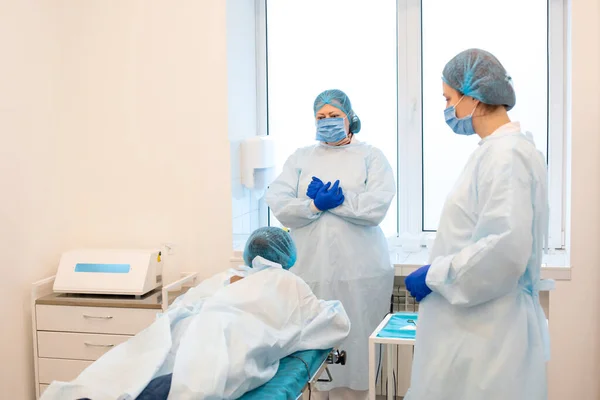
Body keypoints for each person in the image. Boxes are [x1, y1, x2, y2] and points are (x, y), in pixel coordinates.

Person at [41, 227, 351, 400]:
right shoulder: (288, 283)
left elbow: (183, 306)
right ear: (288, 257)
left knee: (139, 367)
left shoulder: (226, 276)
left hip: (199, 331)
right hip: (217, 332)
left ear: (249, 253)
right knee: (198, 370)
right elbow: (334, 323)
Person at [404, 48, 553, 400]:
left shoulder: (506, 156)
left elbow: (503, 249)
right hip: (480, 327)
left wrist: (435, 275)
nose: (446, 109)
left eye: (448, 98)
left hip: (486, 331)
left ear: (473, 97)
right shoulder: (501, 151)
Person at [266, 89, 396, 400]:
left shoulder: (371, 156)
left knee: (358, 344)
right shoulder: (301, 158)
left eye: (334, 116)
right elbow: (279, 202)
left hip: (360, 271)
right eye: (321, 118)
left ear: (350, 118)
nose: (327, 123)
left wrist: (337, 201)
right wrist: (313, 205)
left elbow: (376, 207)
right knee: (313, 346)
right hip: (310, 268)